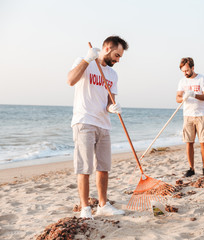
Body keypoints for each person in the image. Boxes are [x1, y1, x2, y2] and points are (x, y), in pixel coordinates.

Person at [67, 36, 129, 219]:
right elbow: (70, 80)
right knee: (84, 167)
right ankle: (85, 207)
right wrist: (87, 59)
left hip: (103, 124)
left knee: (103, 167)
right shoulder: (84, 61)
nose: (118, 60)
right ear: (108, 48)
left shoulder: (112, 74)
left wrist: (113, 108)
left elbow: (110, 102)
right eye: (117, 55)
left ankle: (103, 205)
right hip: (84, 122)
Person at [176, 57, 204, 177]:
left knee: (203, 142)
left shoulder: (202, 78)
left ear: (192, 68)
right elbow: (177, 98)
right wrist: (183, 98)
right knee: (189, 142)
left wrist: (194, 95)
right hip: (188, 115)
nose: (185, 73)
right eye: (183, 71)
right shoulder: (182, 81)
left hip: (202, 114)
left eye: (186, 70)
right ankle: (191, 168)